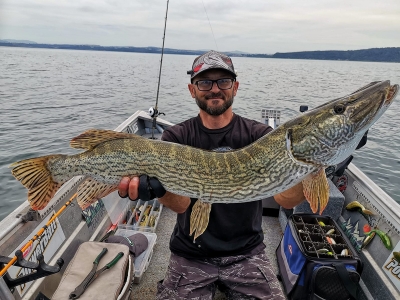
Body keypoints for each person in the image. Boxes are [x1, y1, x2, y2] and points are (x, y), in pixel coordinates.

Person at [118, 50, 305, 300]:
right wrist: (157, 190)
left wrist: (314, 165)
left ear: (235, 87)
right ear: (192, 89)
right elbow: (182, 203)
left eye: (223, 81)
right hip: (190, 253)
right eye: (205, 82)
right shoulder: (176, 138)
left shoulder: (259, 136)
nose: (215, 89)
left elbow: (286, 200)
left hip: (248, 253)